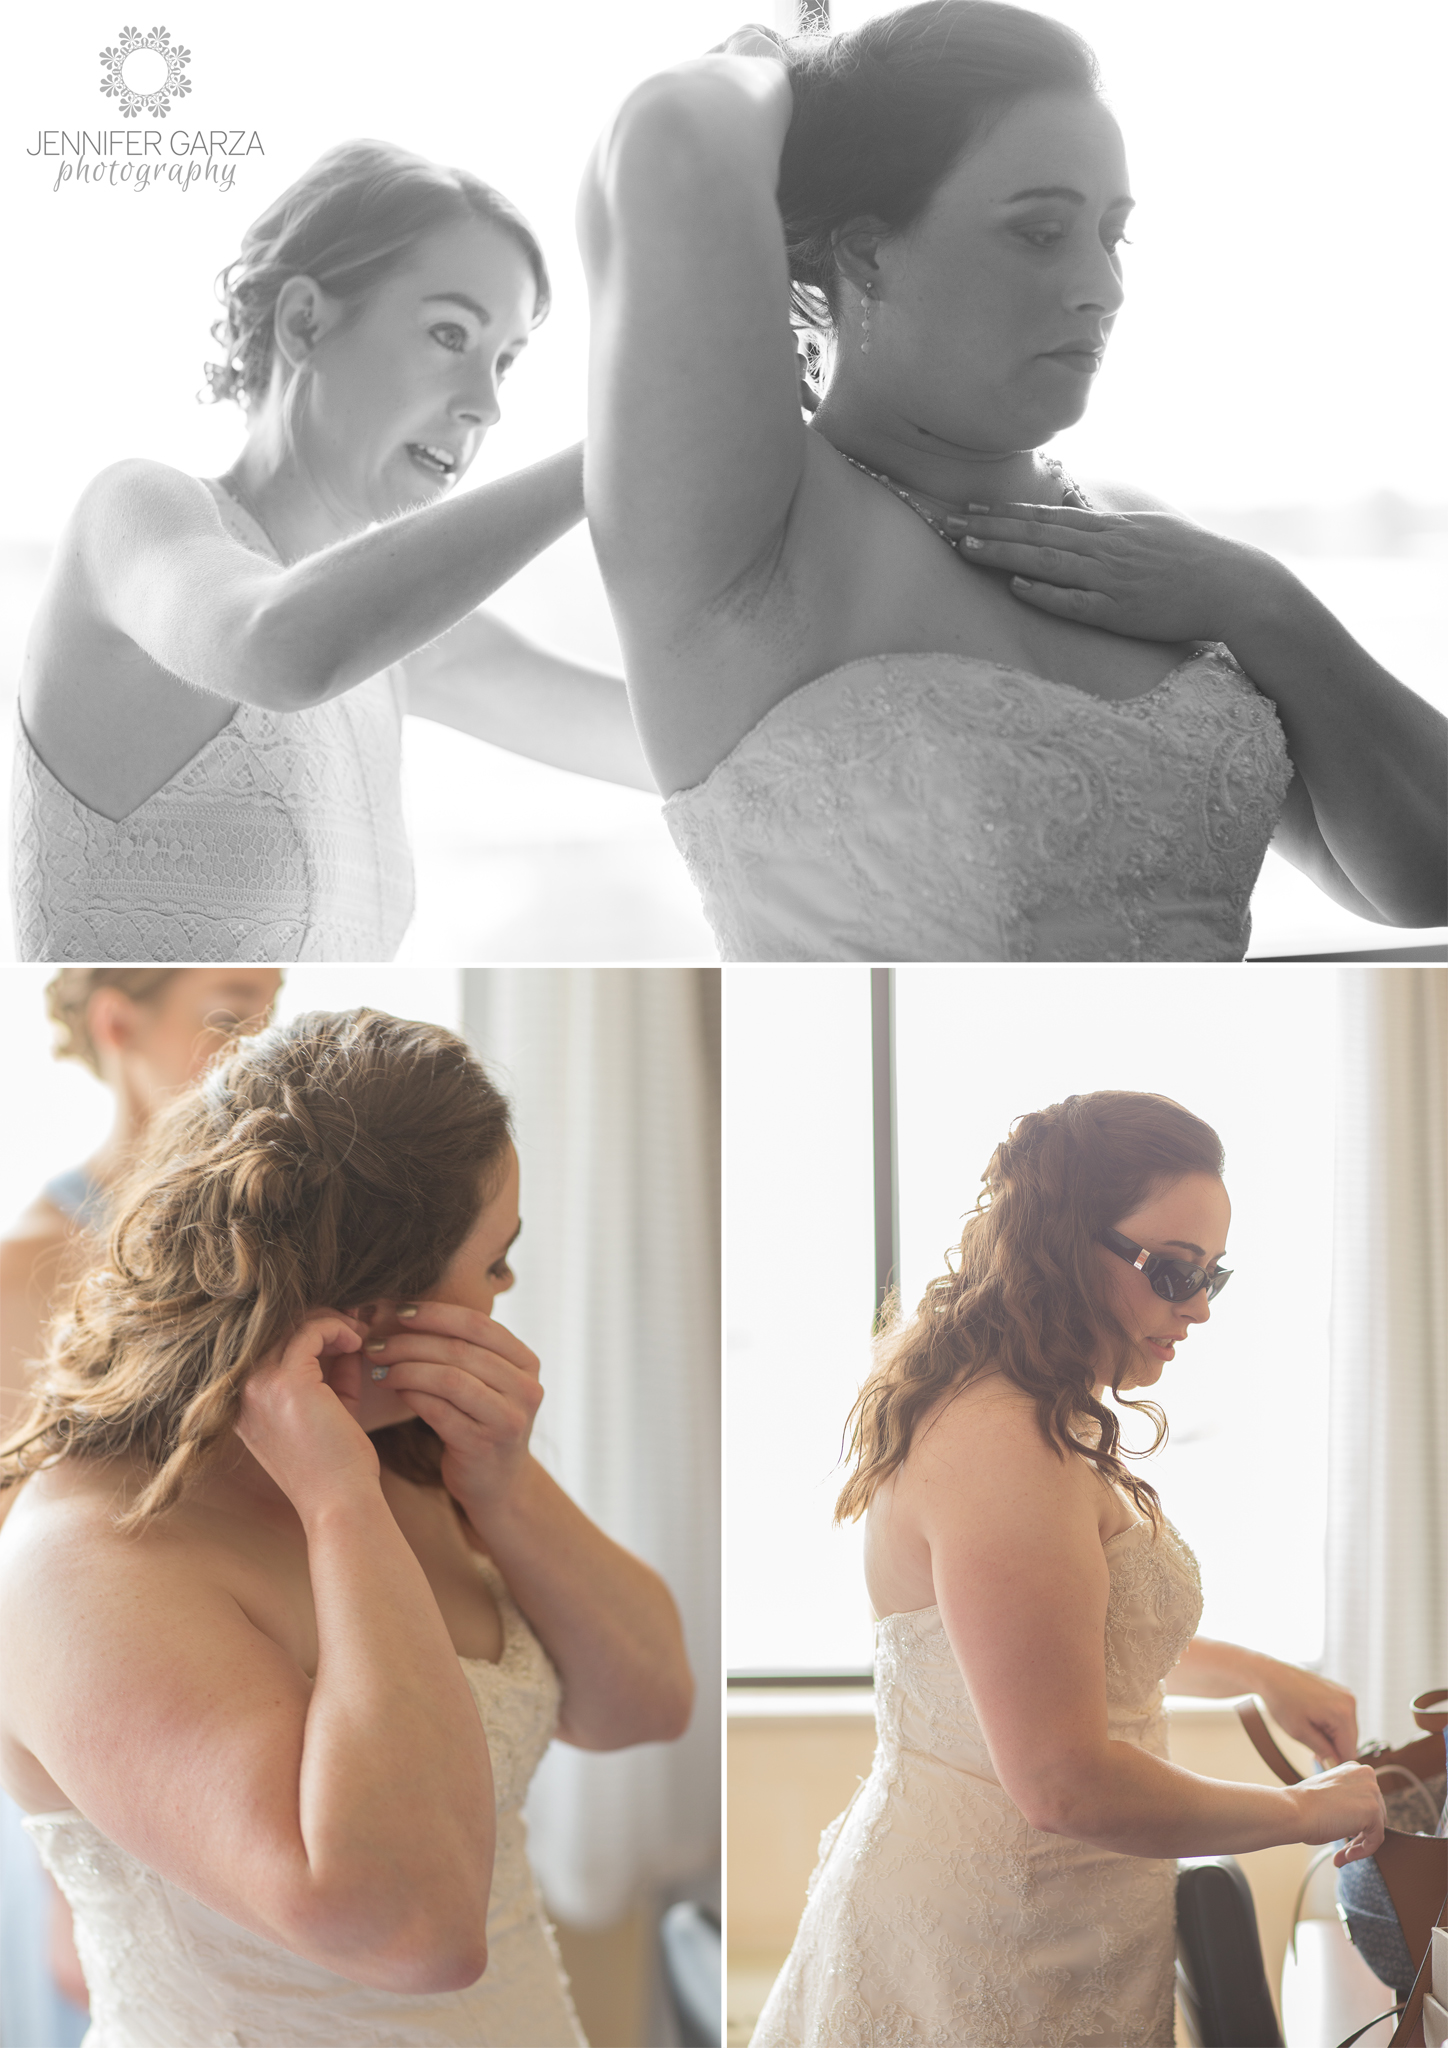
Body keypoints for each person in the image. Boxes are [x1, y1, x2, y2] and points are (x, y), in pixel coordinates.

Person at [579, 2, 1447, 961]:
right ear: (867, 251)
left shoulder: (1143, 538)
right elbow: (675, 140)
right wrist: (775, 61)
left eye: (1114, 235)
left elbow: (1423, 879)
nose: (1102, 287)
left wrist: (1266, 604)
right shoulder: (757, 526)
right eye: (1041, 232)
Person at [0, 1006, 694, 2046]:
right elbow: (415, 1931)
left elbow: (645, 1701)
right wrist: (339, 1507)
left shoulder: (417, 1453)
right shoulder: (86, 1556)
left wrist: (504, 1484)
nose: (506, 1290)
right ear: (371, 1312)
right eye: (494, 1260)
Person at [751, 1091, 1384, 2048]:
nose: (1200, 1307)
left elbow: (1065, 1645)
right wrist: (1306, 1811)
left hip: (1059, 1924)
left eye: (1215, 1275)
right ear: (1056, 1243)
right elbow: (1060, 1781)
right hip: (989, 1952)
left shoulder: (1022, 1407)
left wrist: (1258, 1676)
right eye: (1171, 1272)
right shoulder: (1002, 1445)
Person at [13, 139, 651, 964]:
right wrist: (605, 461)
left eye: (505, 362)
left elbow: (671, 746)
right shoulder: (136, 511)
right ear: (305, 322)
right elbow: (278, 646)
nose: (487, 405)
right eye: (450, 334)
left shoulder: (404, 641)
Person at [0, 965, 280, 2048]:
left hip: (236, 1729)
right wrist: (62, 1873)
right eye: (230, 1011)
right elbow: (13, 1595)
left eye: (272, 1004)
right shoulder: (26, 1267)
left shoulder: (262, 1239)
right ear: (120, 1023)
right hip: (87, 1760)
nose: (260, 1038)